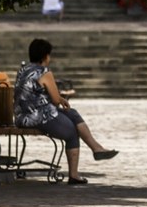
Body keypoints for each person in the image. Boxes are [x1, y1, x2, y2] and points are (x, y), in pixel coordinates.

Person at [14, 39, 118, 185]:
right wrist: (60, 98)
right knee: (72, 132)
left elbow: (37, 94)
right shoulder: (44, 72)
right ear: (45, 56)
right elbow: (55, 100)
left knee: (73, 114)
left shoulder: (23, 70)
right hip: (37, 116)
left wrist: (60, 99)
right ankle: (75, 173)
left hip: (22, 115)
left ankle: (96, 148)